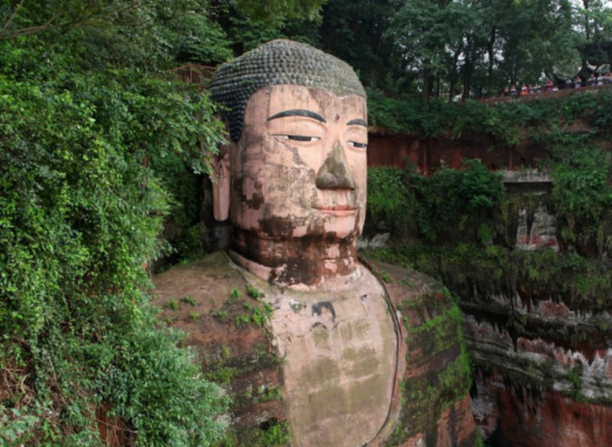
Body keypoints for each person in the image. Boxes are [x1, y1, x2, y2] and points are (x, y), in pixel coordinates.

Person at [156, 39, 479, 447]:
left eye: (357, 142)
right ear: (221, 164)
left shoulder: (423, 304)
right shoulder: (172, 329)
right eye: (301, 135)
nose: (339, 172)